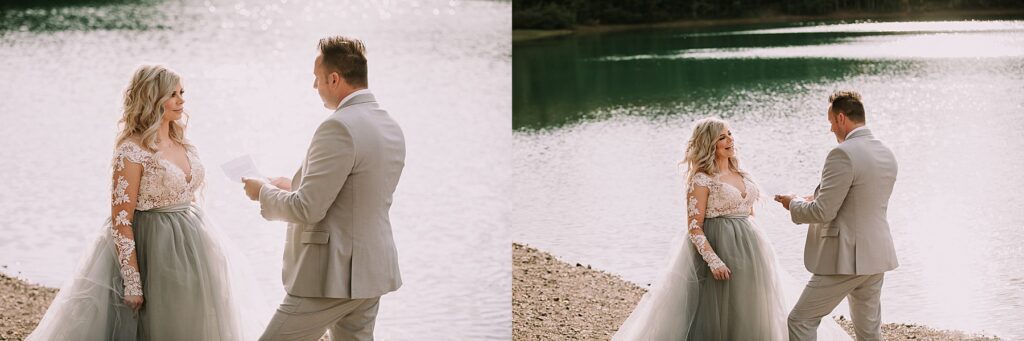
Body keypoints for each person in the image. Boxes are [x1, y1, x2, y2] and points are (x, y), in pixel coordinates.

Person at [28, 64, 261, 340]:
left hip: (193, 244)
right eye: (172, 94)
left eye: (181, 92)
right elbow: (121, 220)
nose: (181, 100)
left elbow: (188, 195)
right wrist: (133, 282)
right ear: (152, 99)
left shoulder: (184, 143)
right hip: (153, 246)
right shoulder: (132, 150)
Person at [613, 117, 850, 341]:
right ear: (709, 144)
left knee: (752, 308)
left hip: (751, 250)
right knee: (718, 315)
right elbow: (694, 227)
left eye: (730, 134)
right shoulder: (701, 179)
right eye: (722, 138)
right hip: (720, 248)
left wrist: (805, 200)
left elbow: (747, 212)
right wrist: (713, 260)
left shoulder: (742, 174)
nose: (730, 140)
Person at [242, 36, 406, 341]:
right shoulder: (389, 124)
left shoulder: (338, 126)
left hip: (331, 275)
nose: (314, 87)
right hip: (371, 271)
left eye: (317, 79)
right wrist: (290, 185)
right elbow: (356, 190)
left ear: (334, 78)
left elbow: (307, 208)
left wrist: (261, 192)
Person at [775, 90, 899, 341]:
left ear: (841, 118)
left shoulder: (842, 154)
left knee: (800, 320)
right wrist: (814, 197)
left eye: (831, 122)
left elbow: (823, 212)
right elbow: (860, 198)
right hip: (876, 254)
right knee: (869, 333)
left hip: (846, 257)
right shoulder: (886, 152)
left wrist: (793, 204)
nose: (831, 129)